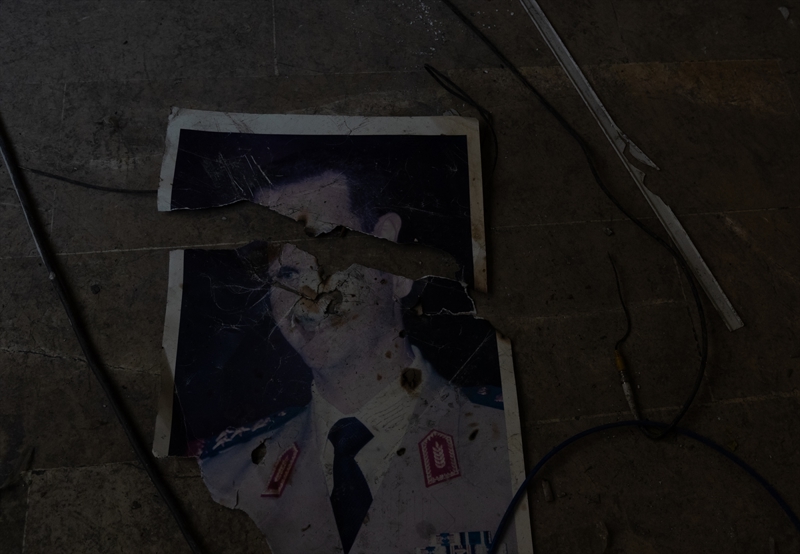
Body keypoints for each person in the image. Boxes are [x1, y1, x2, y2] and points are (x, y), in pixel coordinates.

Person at [194, 171, 521, 554]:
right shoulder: (229, 474)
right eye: (286, 272)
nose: (309, 298)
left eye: (330, 258)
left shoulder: (507, 444)